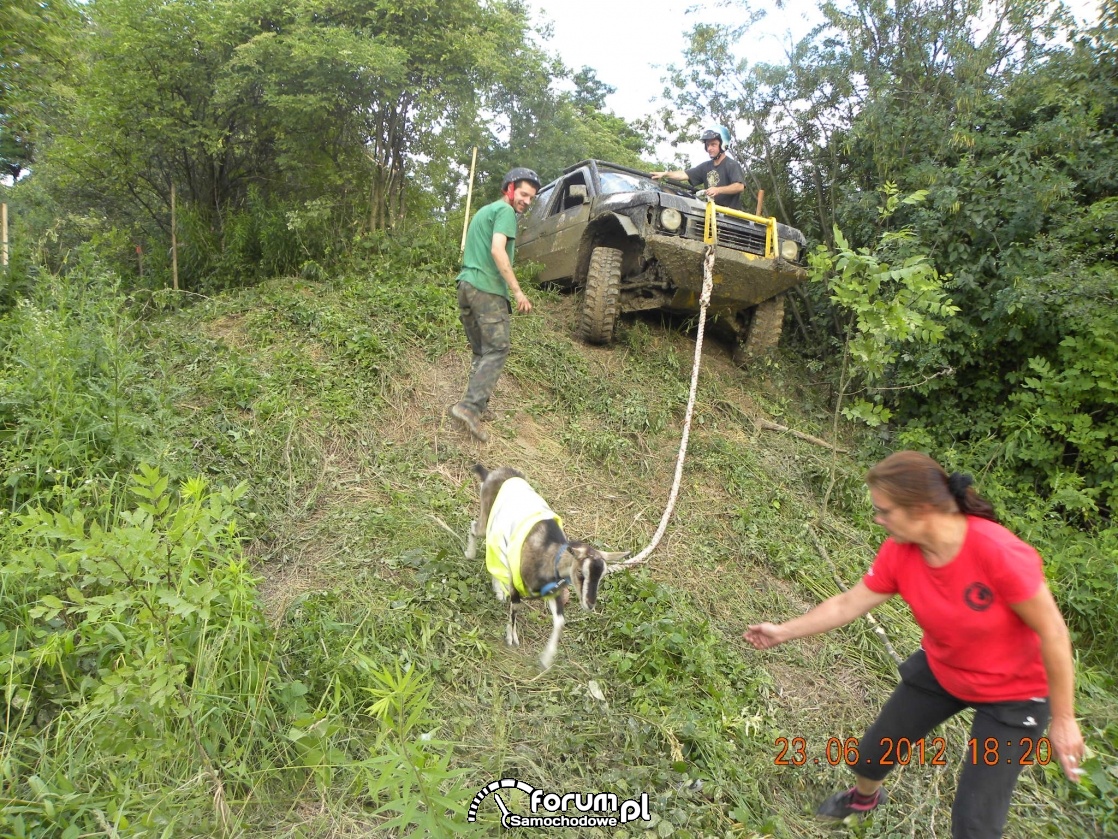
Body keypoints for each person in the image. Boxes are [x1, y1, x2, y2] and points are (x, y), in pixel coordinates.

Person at [744, 451, 1086, 839]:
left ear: (921, 510)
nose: (878, 519)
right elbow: (847, 603)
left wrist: (1064, 718)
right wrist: (783, 631)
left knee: (976, 822)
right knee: (871, 754)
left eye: (884, 511)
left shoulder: (998, 553)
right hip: (944, 668)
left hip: (1016, 694)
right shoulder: (900, 551)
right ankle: (863, 799)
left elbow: (1053, 633)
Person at [448, 167, 540, 443]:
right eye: (523, 194)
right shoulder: (505, 213)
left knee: (482, 350)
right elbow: (497, 250)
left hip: (466, 286)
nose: (526, 200)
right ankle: (469, 407)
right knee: (498, 348)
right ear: (509, 188)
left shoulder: (483, 212)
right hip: (487, 289)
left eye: (531, 197)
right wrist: (518, 291)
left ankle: (479, 404)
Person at [651, 125, 747, 211]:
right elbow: (684, 174)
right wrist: (665, 174)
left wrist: (718, 190)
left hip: (729, 217)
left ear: (723, 145)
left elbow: (739, 186)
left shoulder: (731, 165)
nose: (709, 148)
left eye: (713, 144)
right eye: (708, 145)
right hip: (711, 214)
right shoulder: (706, 166)